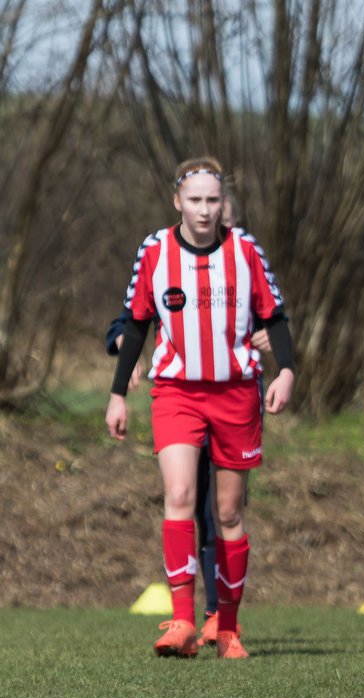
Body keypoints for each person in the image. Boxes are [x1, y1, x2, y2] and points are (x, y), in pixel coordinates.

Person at [105, 156, 295, 660]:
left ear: (222, 203)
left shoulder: (246, 250)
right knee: (180, 494)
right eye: (195, 200)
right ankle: (183, 623)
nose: (205, 209)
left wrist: (287, 371)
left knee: (229, 513)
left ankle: (227, 628)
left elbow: (276, 316)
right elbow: (136, 322)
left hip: (236, 394)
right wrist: (118, 393)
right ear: (177, 202)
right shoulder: (155, 251)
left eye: (213, 200)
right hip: (177, 393)